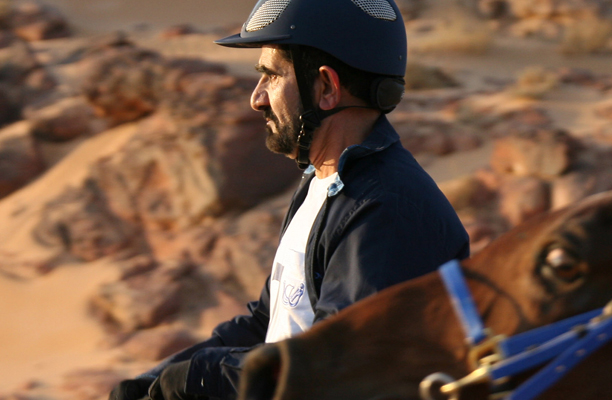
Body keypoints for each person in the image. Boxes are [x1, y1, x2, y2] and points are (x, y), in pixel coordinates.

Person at [109, 0, 470, 398]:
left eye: (271, 76)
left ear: (327, 88)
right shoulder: (325, 182)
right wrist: (158, 378)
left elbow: (338, 366)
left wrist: (203, 377)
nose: (257, 98)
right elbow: (266, 321)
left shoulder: (386, 209)